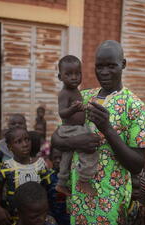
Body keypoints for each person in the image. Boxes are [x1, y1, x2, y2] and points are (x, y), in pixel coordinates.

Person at [51, 40, 145, 224]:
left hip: (110, 200)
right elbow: (57, 138)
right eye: (99, 66)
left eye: (111, 66)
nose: (104, 72)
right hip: (78, 196)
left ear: (123, 64)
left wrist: (107, 129)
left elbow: (137, 165)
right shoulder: (83, 96)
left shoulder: (135, 106)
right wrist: (75, 143)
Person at [55, 55, 97, 196]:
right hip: (71, 129)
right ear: (60, 77)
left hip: (75, 128)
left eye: (77, 73)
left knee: (66, 156)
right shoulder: (64, 93)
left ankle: (61, 183)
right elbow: (62, 113)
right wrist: (73, 109)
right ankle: (84, 179)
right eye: (69, 74)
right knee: (89, 149)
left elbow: (78, 108)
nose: (74, 77)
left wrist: (85, 108)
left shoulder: (76, 91)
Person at [0, 127, 51, 225]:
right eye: (18, 142)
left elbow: (45, 190)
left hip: (36, 217)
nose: (25, 144)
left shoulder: (41, 164)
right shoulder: (5, 167)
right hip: (13, 217)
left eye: (27, 139)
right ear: (9, 146)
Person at [46, 148, 70, 225]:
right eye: (55, 158)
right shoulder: (47, 177)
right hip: (53, 216)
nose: (58, 160)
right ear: (50, 158)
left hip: (69, 215)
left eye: (61, 158)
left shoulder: (70, 176)